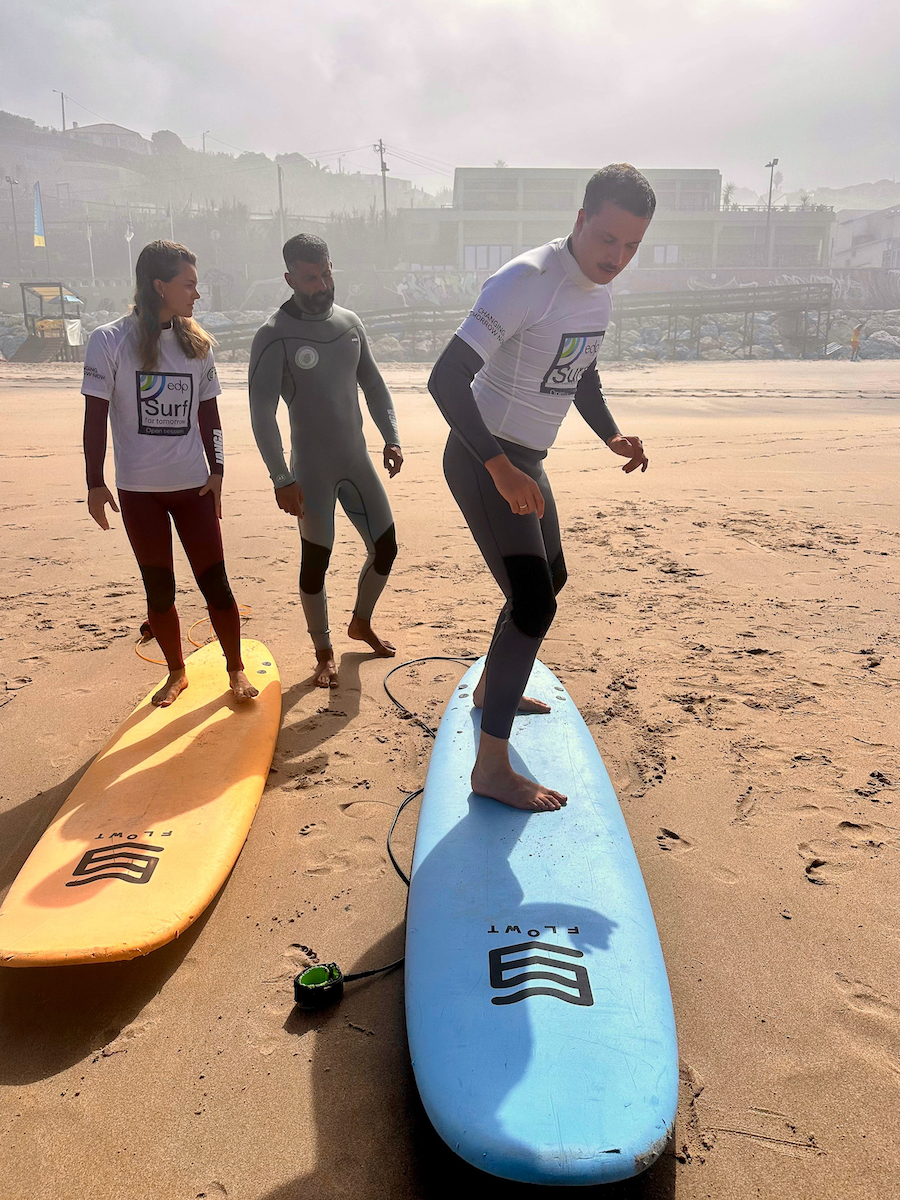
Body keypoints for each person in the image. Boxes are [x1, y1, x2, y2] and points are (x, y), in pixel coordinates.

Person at [428, 163, 654, 813]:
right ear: (581, 219)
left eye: (632, 245)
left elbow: (580, 373)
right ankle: (491, 768)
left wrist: (611, 434)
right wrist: (500, 468)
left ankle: (488, 691)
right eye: (607, 238)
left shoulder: (597, 295)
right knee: (533, 603)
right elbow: (446, 377)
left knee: (547, 584)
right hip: (484, 456)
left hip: (526, 459)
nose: (617, 257)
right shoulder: (527, 280)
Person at [82, 239, 258, 708]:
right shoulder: (108, 341)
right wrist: (94, 482)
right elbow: (94, 417)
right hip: (139, 492)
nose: (197, 293)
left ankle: (235, 668)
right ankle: (177, 671)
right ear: (159, 286)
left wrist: (218, 471)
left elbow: (209, 416)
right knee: (159, 591)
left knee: (216, 583)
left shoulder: (196, 344)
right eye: (189, 284)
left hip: (193, 488)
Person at [248, 234, 403, 689]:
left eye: (326, 273)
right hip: (310, 473)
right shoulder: (274, 335)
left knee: (386, 548)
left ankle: (360, 622)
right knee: (316, 561)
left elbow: (373, 385)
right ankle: (323, 652)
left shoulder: (350, 324)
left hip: (356, 461)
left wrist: (392, 438)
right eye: (311, 278)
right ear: (290, 279)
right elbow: (261, 414)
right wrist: (281, 477)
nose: (322, 285)